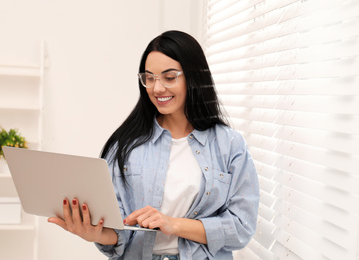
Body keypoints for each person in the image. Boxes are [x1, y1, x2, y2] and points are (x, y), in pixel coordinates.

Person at [48, 30, 260, 260]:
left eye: (169, 77)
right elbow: (119, 231)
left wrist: (174, 224)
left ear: (194, 77)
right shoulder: (125, 146)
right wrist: (94, 233)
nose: (157, 88)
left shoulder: (229, 145)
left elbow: (241, 228)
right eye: (149, 78)